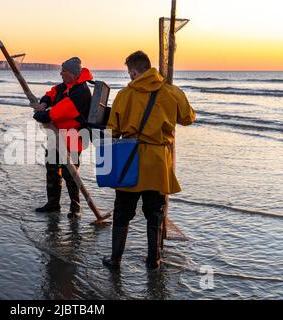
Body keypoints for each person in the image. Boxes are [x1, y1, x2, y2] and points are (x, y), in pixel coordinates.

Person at [102, 51, 196, 270]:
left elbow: (112, 130)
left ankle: (115, 260)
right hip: (158, 163)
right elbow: (188, 118)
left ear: (134, 71)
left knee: (122, 213)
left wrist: (107, 158)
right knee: (155, 215)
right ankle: (154, 260)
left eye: (129, 73)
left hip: (129, 160)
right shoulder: (172, 92)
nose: (129, 77)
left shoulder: (126, 94)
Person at [32, 57, 93, 218]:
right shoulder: (64, 86)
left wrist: (43, 115)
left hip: (74, 137)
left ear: (72, 73)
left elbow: (59, 112)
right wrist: (44, 102)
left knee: (70, 174)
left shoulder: (81, 92)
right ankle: (53, 204)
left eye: (63, 71)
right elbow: (51, 93)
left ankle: (75, 208)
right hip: (56, 135)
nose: (60, 73)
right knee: (51, 169)